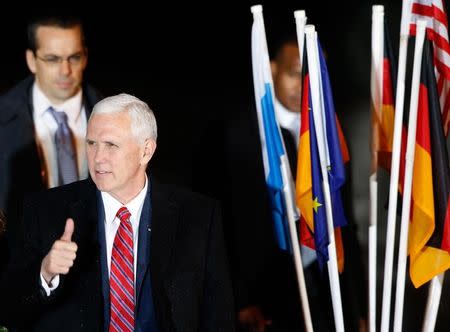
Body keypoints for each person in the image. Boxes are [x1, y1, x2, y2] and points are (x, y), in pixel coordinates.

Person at [0, 93, 234, 331]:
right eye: (91, 144)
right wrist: (46, 273)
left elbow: (218, 317)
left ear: (146, 151)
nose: (98, 158)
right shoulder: (46, 210)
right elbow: (10, 313)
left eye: (111, 145)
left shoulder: (198, 215)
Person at [192, 35, 366, 331]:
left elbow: (346, 224)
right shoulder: (237, 132)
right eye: (293, 74)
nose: (302, 86)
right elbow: (222, 224)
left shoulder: (330, 131)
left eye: (310, 76)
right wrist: (240, 299)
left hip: (327, 284)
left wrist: (358, 306)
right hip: (267, 292)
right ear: (272, 69)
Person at [0, 14, 102, 227]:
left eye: (74, 57)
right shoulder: (3, 120)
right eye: (52, 59)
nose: (65, 71)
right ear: (31, 60)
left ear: (85, 57)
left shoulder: (114, 116)